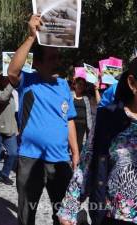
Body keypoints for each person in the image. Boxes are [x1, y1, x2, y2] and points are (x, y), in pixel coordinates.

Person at [7, 15, 79, 225]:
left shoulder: (65, 85)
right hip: (31, 159)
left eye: (57, 57)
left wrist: (75, 153)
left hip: (60, 160)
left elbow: (69, 120)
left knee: (64, 214)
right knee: (27, 213)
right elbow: (12, 70)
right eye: (51, 58)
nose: (57, 61)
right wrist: (31, 37)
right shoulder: (28, 81)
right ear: (37, 63)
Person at [58, 58, 137, 225]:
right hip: (114, 217)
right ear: (132, 83)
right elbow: (87, 163)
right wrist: (69, 207)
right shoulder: (108, 120)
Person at [71, 77, 96, 151]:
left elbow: (99, 103)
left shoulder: (87, 97)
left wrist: (96, 88)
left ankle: (76, 159)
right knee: (70, 142)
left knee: (79, 143)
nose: (81, 86)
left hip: (82, 124)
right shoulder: (69, 95)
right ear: (74, 85)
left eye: (83, 85)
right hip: (71, 123)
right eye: (79, 84)